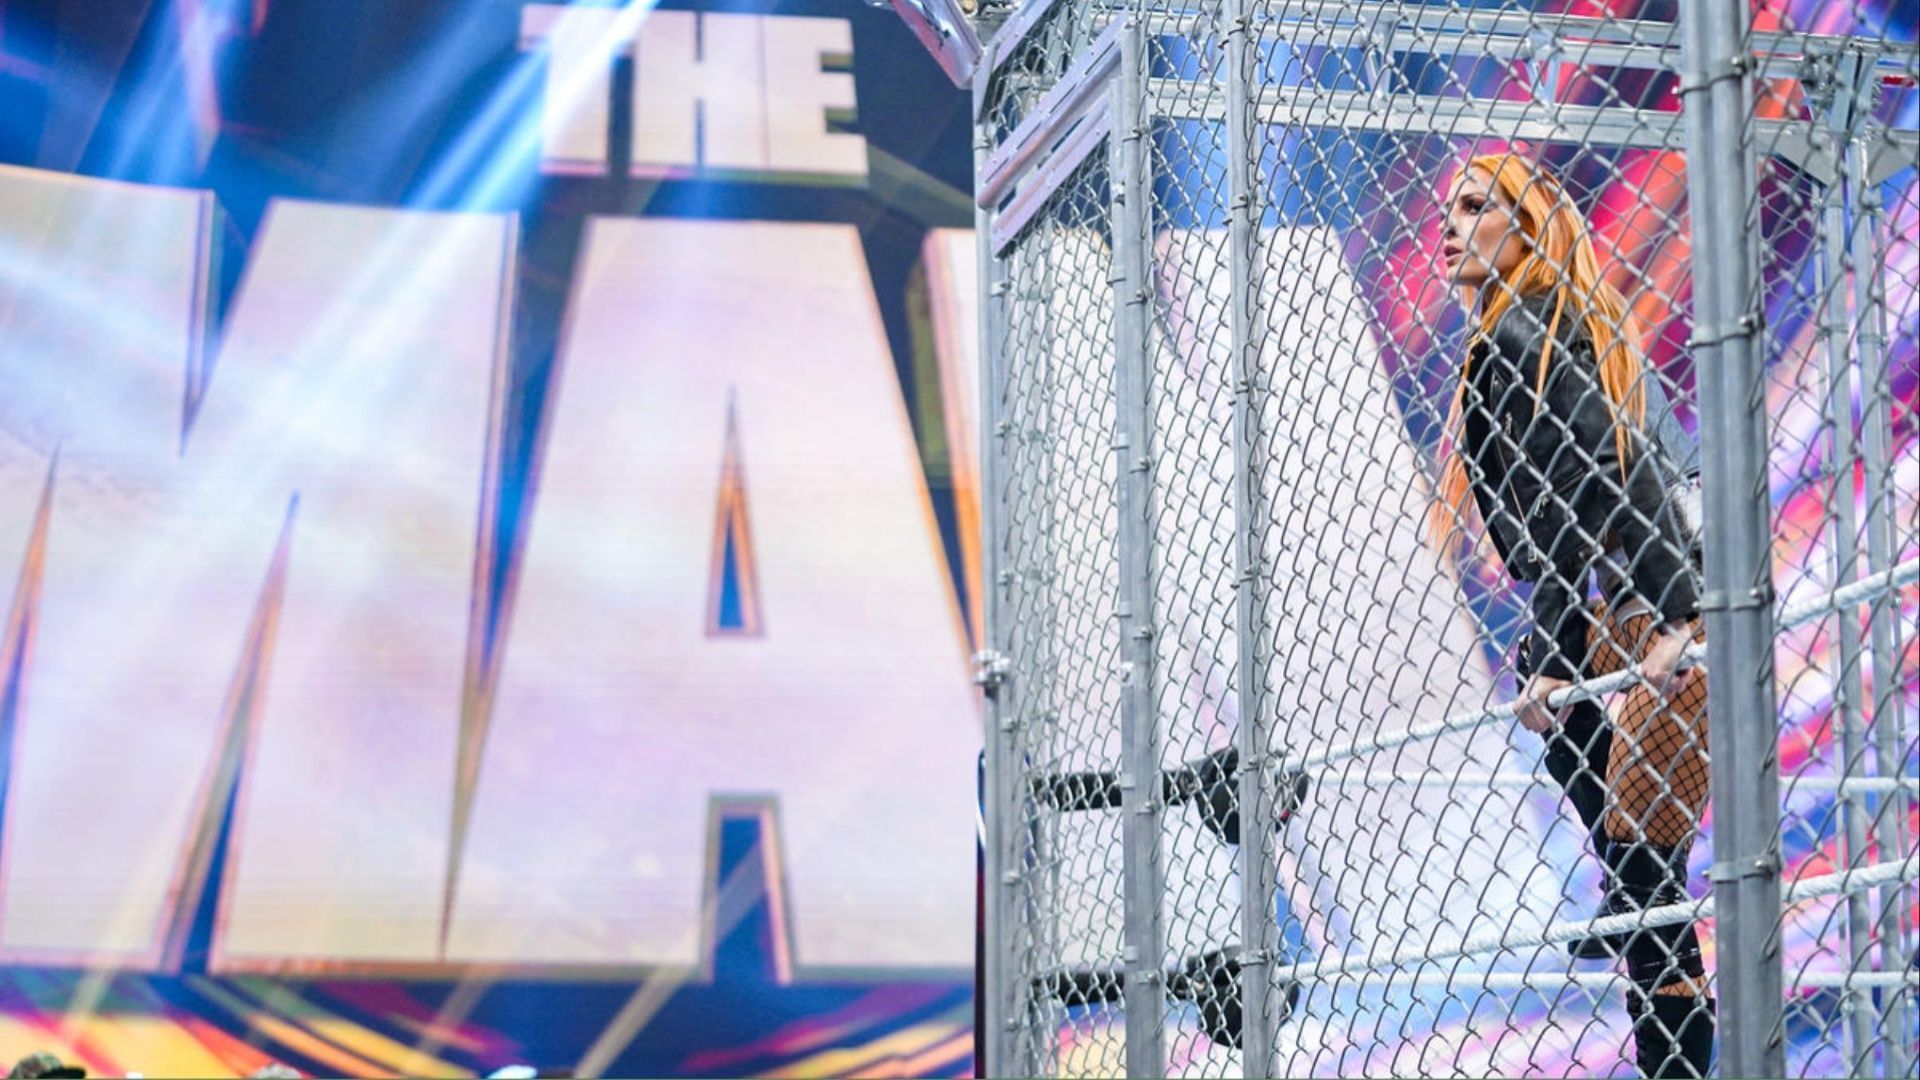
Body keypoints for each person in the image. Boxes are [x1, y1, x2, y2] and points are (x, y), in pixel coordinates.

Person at [1430, 151, 1714, 1079]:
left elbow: (1610, 472)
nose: (1450, 223)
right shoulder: (1534, 325)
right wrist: (1556, 651)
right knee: (1640, 867)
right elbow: (1570, 509)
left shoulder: (1528, 332)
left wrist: (1676, 613)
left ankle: (1679, 1050)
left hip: (1682, 592)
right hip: (1650, 589)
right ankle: (1670, 1016)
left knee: (1644, 867)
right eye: (1448, 206)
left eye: (1477, 206)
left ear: (1528, 223)